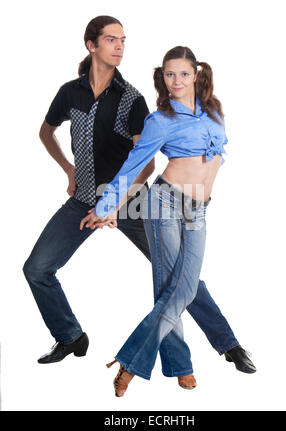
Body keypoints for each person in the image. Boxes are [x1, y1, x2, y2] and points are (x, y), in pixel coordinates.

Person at [23, 16, 255, 383]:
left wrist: (115, 204)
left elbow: (141, 166)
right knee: (37, 269)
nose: (119, 46)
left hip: (132, 202)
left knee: (180, 278)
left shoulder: (132, 98)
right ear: (91, 45)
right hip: (85, 197)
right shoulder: (70, 92)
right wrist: (68, 169)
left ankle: (226, 344)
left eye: (123, 40)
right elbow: (46, 132)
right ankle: (70, 337)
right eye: (111, 39)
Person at [80, 45, 256, 396]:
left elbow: (216, 158)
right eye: (169, 74)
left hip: (199, 208)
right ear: (162, 77)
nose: (176, 80)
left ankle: (131, 361)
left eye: (183, 73)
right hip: (164, 202)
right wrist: (107, 205)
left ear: (197, 74)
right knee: (174, 288)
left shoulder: (214, 112)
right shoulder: (160, 119)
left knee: (182, 286)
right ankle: (181, 367)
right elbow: (134, 165)